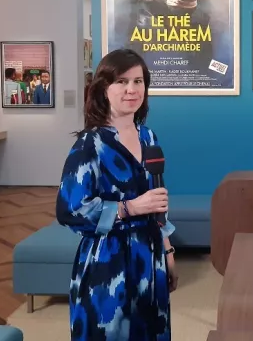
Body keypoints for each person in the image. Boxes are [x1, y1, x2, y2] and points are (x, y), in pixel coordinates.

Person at [56, 48, 178, 341]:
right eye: (121, 81)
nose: (131, 90)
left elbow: (156, 202)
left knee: (150, 331)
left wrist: (168, 250)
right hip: (107, 262)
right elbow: (69, 210)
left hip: (150, 255)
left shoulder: (149, 137)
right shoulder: (89, 145)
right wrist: (129, 207)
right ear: (103, 88)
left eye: (138, 81)